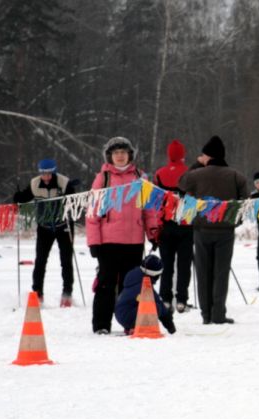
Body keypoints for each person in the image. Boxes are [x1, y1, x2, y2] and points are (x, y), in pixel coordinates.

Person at [87, 137, 160, 334]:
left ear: (130, 155)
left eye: (123, 152)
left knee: (131, 286)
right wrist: (94, 242)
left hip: (134, 241)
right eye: (116, 152)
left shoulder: (140, 177)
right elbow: (92, 212)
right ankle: (101, 324)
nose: (120, 156)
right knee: (105, 284)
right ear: (110, 156)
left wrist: (153, 232)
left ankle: (130, 323)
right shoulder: (103, 178)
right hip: (108, 242)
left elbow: (149, 209)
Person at [177, 135, 248, 325]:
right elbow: (245, 203)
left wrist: (196, 164)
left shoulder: (196, 174)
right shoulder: (236, 176)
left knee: (203, 272)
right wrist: (235, 221)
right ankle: (218, 314)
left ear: (208, 156)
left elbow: (181, 183)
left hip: (201, 230)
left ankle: (206, 315)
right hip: (225, 231)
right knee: (221, 273)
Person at [13, 158, 78, 306]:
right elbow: (24, 198)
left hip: (64, 225)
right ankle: (37, 293)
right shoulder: (35, 183)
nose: (46, 177)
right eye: (43, 174)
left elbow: (74, 201)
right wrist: (17, 197)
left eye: (49, 174)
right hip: (44, 227)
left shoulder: (63, 182)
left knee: (66, 261)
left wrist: (70, 196)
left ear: (54, 172)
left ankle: (67, 294)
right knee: (40, 261)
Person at [154, 139, 193, 313]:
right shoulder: (190, 173)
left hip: (166, 225)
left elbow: (156, 201)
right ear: (183, 155)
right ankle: (182, 300)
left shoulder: (159, 173)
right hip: (186, 224)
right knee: (184, 264)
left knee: (167, 264)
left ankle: (165, 298)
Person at [114, 254, 176, 335]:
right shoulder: (143, 285)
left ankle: (131, 326)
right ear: (155, 275)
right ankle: (137, 327)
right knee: (156, 307)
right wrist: (170, 325)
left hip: (122, 313)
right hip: (128, 316)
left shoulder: (135, 277)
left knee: (145, 304)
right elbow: (157, 302)